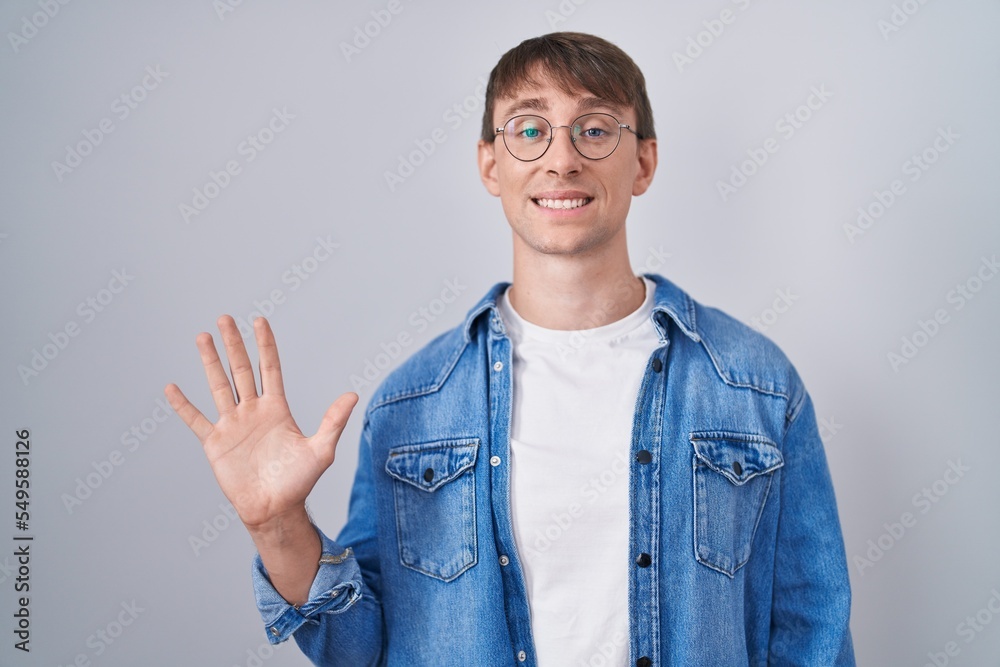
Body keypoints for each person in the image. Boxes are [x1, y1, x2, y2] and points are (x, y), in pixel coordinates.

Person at [165, 31, 855, 667]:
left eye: (594, 128)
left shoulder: (755, 384)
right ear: (490, 165)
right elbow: (355, 648)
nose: (562, 158)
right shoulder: (415, 403)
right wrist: (277, 522)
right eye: (530, 129)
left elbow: (813, 632)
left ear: (643, 160)